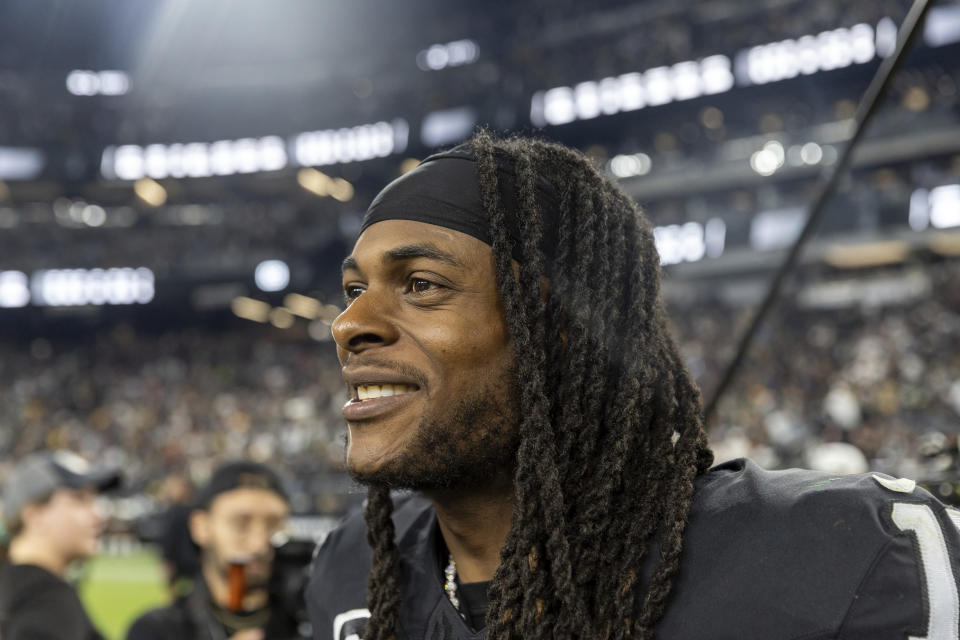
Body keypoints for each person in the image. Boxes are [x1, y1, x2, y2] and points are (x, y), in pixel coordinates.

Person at [305, 131, 960, 640]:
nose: (349, 324)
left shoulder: (842, 556)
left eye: (422, 285)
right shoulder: (355, 564)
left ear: (562, 331)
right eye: (355, 290)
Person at [126, 460, 304, 640]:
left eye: (273, 525)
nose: (259, 544)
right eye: (240, 523)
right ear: (200, 527)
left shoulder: (311, 622)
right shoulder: (158, 629)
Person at [0, 450, 121, 640]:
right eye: (80, 499)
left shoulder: (20, 594)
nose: (99, 514)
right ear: (34, 515)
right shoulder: (46, 602)